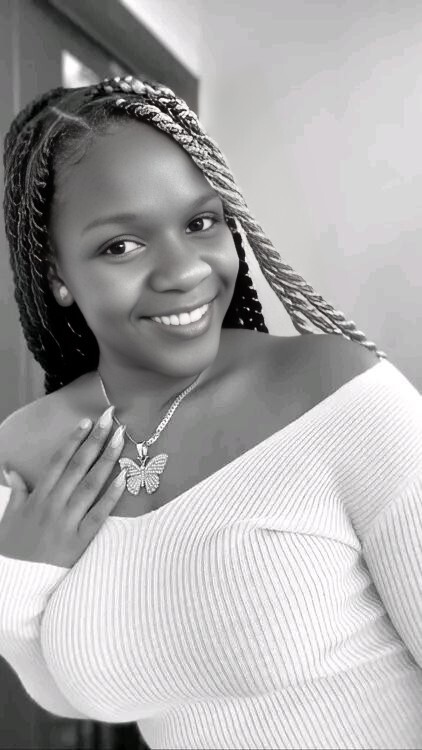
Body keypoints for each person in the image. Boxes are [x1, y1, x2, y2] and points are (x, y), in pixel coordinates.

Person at [0, 75, 421, 750]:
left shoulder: (341, 395)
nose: (184, 272)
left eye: (201, 223)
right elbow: (65, 693)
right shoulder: (26, 449)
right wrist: (18, 570)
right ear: (56, 272)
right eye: (121, 245)